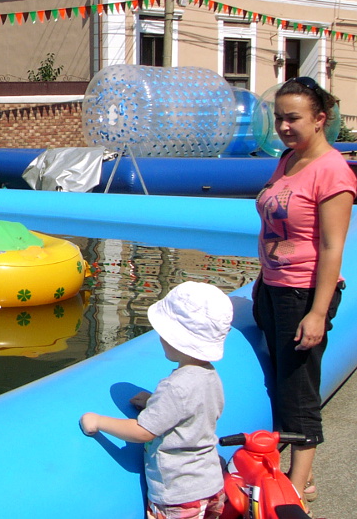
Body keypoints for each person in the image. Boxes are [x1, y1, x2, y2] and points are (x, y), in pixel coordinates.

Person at [252, 76, 357, 507]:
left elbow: (333, 247)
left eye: (293, 118)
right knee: (283, 382)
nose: (283, 126)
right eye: (279, 117)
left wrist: (317, 312)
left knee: (299, 391)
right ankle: (298, 475)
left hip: (302, 294)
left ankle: (295, 493)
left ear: (320, 119)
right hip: (273, 288)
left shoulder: (333, 171)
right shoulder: (288, 159)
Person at [80, 281, 233, 519]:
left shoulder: (175, 386)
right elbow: (193, 410)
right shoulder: (211, 376)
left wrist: (99, 421)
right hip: (210, 483)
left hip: (178, 495)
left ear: (176, 338)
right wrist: (155, 402)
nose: (160, 338)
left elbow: (142, 431)